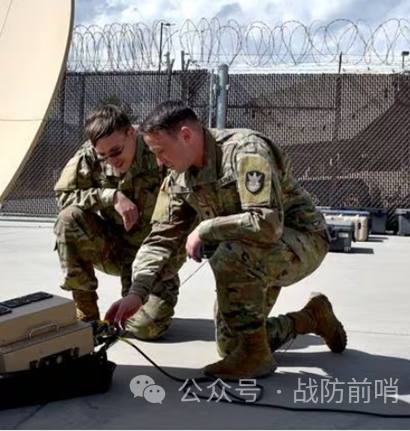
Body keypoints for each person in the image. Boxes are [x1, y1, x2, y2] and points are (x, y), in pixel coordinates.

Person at [105, 101, 347, 379]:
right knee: (232, 345)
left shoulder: (246, 151)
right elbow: (161, 238)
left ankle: (257, 359)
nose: (159, 161)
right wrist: (137, 293)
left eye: (160, 151)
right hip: (250, 254)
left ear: (186, 135)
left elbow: (267, 224)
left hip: (302, 240)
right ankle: (312, 317)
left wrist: (206, 229)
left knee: (227, 252)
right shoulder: (179, 177)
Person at [52, 103, 185, 340]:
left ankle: (148, 300)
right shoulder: (92, 155)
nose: (111, 160)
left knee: (144, 328)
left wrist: (170, 263)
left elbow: (185, 213)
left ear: (131, 133)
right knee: (68, 219)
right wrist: (110, 195)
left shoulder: (159, 151)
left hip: (155, 257)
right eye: (104, 155)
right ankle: (86, 313)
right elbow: (63, 195)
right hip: (113, 248)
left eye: (116, 151)